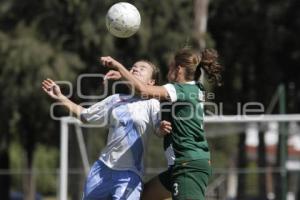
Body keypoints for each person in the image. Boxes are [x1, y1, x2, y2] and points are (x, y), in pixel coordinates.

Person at [100, 47, 223, 200]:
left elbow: (143, 89)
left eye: (171, 66)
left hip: (188, 166)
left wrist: (118, 66)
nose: (167, 69)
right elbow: (151, 93)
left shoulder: (180, 90)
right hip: (182, 166)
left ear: (178, 69)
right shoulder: (195, 88)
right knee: (143, 196)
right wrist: (125, 77)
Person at [42, 60, 167, 200]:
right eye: (133, 67)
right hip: (102, 170)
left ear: (151, 82)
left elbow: (158, 130)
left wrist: (162, 128)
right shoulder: (115, 99)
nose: (135, 69)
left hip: (130, 174)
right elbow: (86, 116)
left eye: (142, 68)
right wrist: (60, 97)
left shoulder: (152, 103)